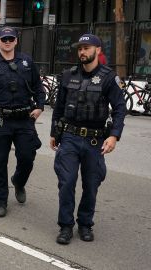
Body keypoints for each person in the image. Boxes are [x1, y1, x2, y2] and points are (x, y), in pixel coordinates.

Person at [50, 34, 125, 245]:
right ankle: (65, 226)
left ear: (98, 50)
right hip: (70, 138)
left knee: (91, 185)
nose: (82, 51)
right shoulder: (68, 75)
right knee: (66, 183)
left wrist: (114, 136)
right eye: (80, 48)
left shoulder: (109, 78)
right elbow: (59, 107)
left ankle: (85, 223)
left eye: (87, 47)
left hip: (95, 140)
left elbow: (120, 109)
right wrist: (54, 133)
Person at [0, 26, 45, 218]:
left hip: (24, 119)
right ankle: (1, 201)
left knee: (27, 156)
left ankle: (19, 181)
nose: (7, 42)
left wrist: (40, 106)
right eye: (3, 39)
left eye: (10, 39)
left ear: (16, 41)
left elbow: (38, 87)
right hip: (0, 119)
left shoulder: (27, 62)